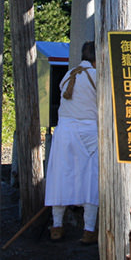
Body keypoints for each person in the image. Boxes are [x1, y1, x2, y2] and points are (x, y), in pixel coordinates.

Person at [45, 41, 99, 244]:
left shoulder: (70, 74)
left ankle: (56, 226)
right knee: (91, 179)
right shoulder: (96, 75)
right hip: (89, 131)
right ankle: (88, 230)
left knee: (60, 176)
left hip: (64, 131)